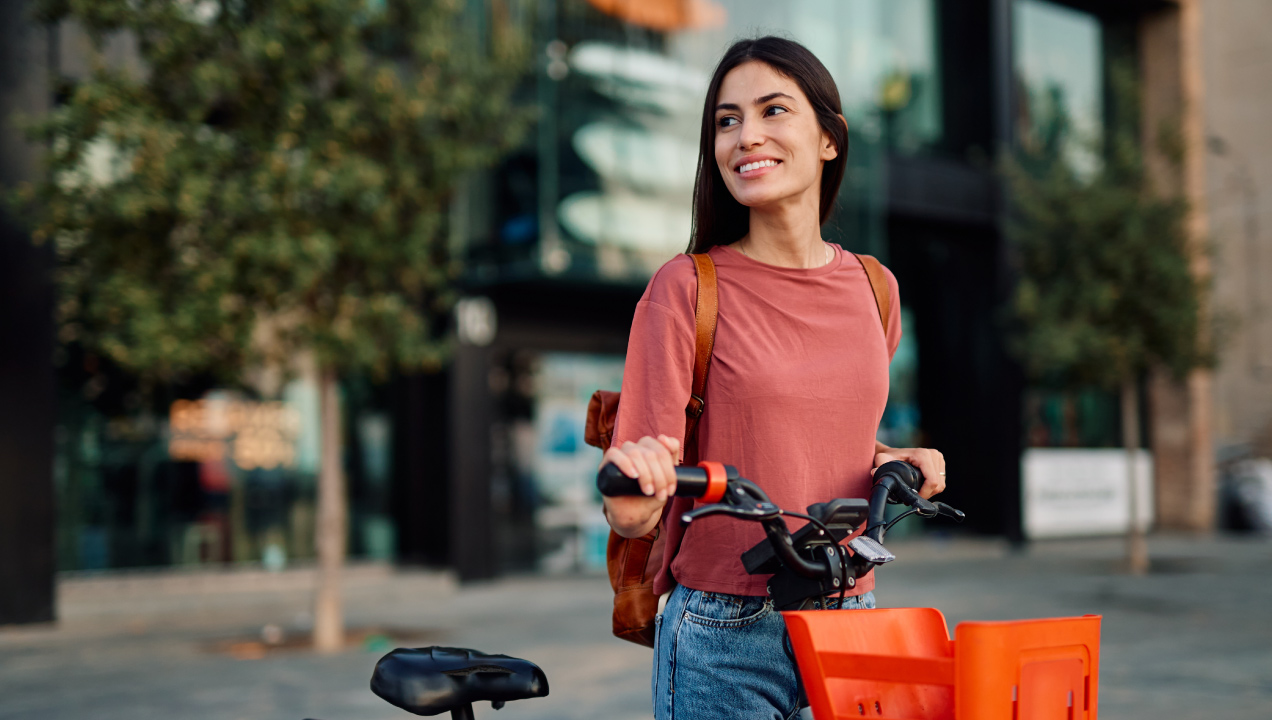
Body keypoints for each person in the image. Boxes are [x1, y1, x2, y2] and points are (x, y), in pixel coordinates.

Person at [600, 37, 948, 720]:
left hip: (853, 614)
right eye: (726, 121)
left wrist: (890, 458)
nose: (745, 136)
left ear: (829, 139)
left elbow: (820, 434)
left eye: (772, 110)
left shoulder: (876, 289)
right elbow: (633, 503)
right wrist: (632, 485)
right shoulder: (685, 288)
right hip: (724, 636)